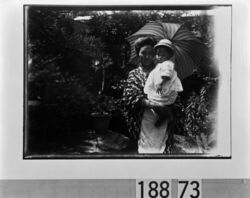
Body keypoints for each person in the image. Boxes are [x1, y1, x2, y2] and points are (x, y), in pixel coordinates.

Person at [123, 37, 174, 153]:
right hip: (143, 120)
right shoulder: (134, 74)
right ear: (138, 54)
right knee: (145, 152)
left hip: (162, 120)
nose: (147, 56)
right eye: (144, 53)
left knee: (162, 151)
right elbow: (130, 97)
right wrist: (153, 105)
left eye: (151, 53)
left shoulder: (163, 71)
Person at [144, 39, 183, 127]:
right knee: (154, 102)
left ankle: (165, 115)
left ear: (169, 55)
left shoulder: (168, 64)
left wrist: (160, 84)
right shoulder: (161, 64)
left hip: (163, 88)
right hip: (160, 89)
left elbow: (167, 75)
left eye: (163, 54)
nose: (159, 56)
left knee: (156, 103)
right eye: (158, 54)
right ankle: (162, 116)